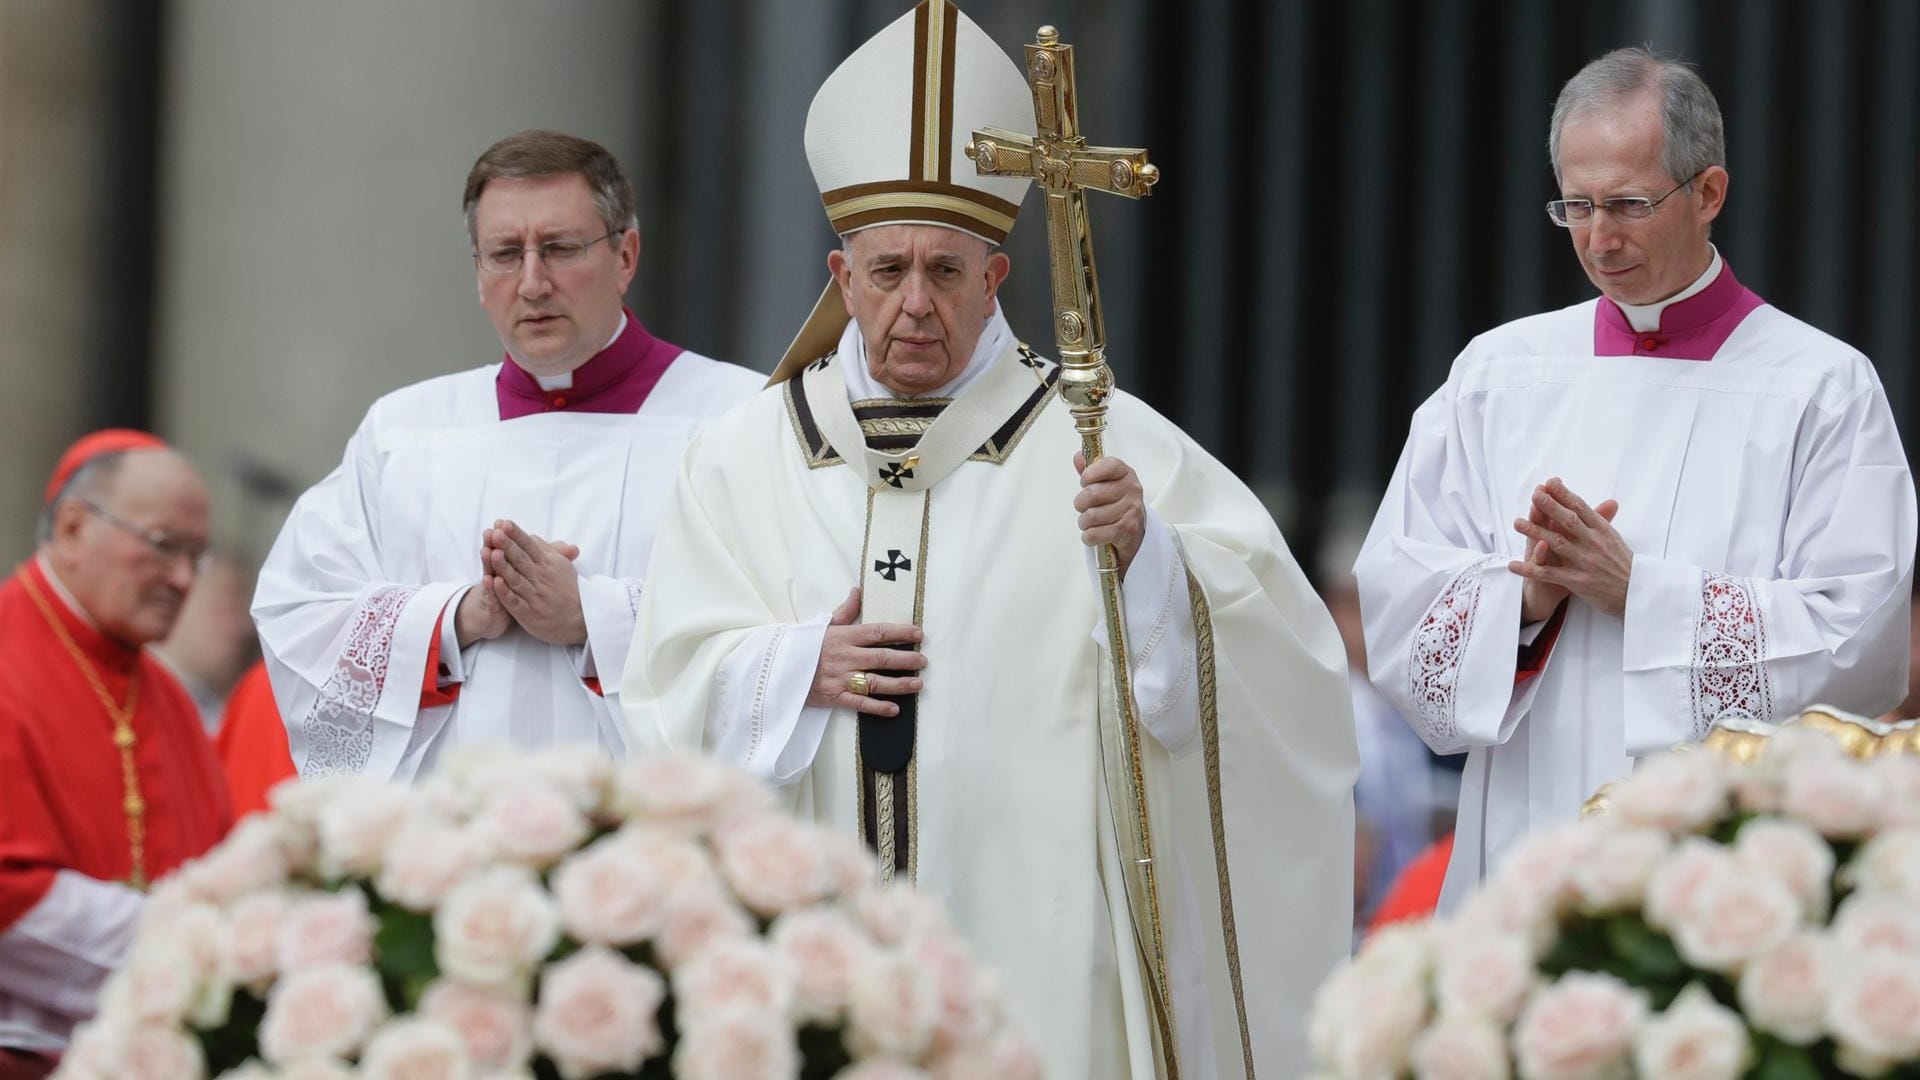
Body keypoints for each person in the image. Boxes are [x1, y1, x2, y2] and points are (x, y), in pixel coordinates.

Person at [623, 3, 1358, 1075]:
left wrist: (1150, 561)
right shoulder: (743, 457)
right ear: (840, 280)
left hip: (1037, 954)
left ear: (996, 278)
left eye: (946, 271)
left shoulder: (1106, 443)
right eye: (887, 272)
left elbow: (1279, 667)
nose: (915, 304)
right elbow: (662, 687)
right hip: (806, 941)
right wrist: (789, 669)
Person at [1355, 47, 1915, 910]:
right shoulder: (1498, 375)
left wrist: (1642, 594)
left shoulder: (1821, 387)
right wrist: (1526, 604)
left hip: (1724, 870)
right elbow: (1397, 603)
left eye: (1627, 204)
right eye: (1574, 205)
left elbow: (1860, 642)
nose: (1598, 238)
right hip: (1525, 838)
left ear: (1709, 193)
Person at [253, 130, 762, 781]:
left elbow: (784, 633)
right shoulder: (404, 433)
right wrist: (455, 618)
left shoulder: (739, 419)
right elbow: (301, 616)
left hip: (653, 845)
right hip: (451, 847)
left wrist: (592, 616)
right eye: (503, 254)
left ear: (626, 255)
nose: (531, 283)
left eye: (559, 249)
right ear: (477, 272)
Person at [0, 431, 233, 1073]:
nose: (184, 579)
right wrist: (176, 938)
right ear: (74, 528)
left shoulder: (171, 698)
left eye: (197, 556)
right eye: (162, 547)